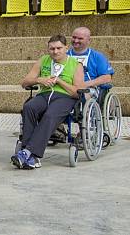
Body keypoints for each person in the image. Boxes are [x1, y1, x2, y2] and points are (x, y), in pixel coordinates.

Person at [13, 35, 85, 170]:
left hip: (65, 97)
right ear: (48, 49)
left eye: (59, 48)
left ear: (66, 48)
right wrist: (39, 80)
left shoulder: (76, 65)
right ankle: (29, 156)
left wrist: (59, 81)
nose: (55, 51)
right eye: (52, 49)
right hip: (44, 94)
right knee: (29, 107)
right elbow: (24, 82)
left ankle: (28, 153)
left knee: (50, 115)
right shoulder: (43, 60)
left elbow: (77, 91)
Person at [67, 27, 113, 96]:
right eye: (74, 37)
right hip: (67, 87)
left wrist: (85, 84)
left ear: (88, 40)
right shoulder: (64, 55)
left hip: (88, 88)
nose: (76, 41)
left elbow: (107, 77)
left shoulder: (97, 56)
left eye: (80, 38)